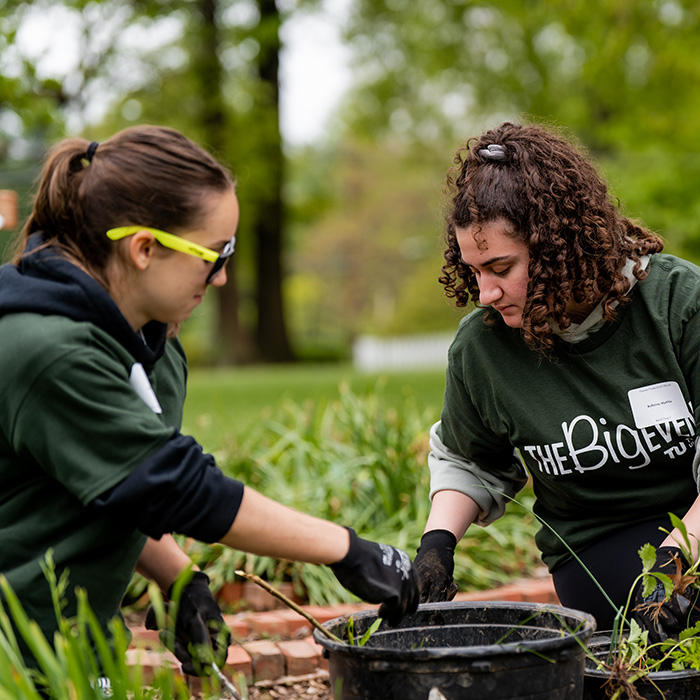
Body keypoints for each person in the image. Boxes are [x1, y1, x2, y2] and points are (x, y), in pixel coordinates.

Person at [0, 125, 419, 677]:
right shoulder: (46, 350)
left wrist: (177, 577)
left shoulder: (153, 345)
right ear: (144, 249)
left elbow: (113, 484)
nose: (221, 278)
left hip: (73, 645)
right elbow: (173, 484)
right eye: (213, 255)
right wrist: (345, 548)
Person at [413, 121, 700, 635]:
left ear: (559, 247)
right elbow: (469, 458)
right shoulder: (483, 347)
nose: (486, 293)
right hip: (593, 558)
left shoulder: (679, 305)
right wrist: (437, 544)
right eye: (474, 270)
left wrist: (675, 566)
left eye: (501, 268)